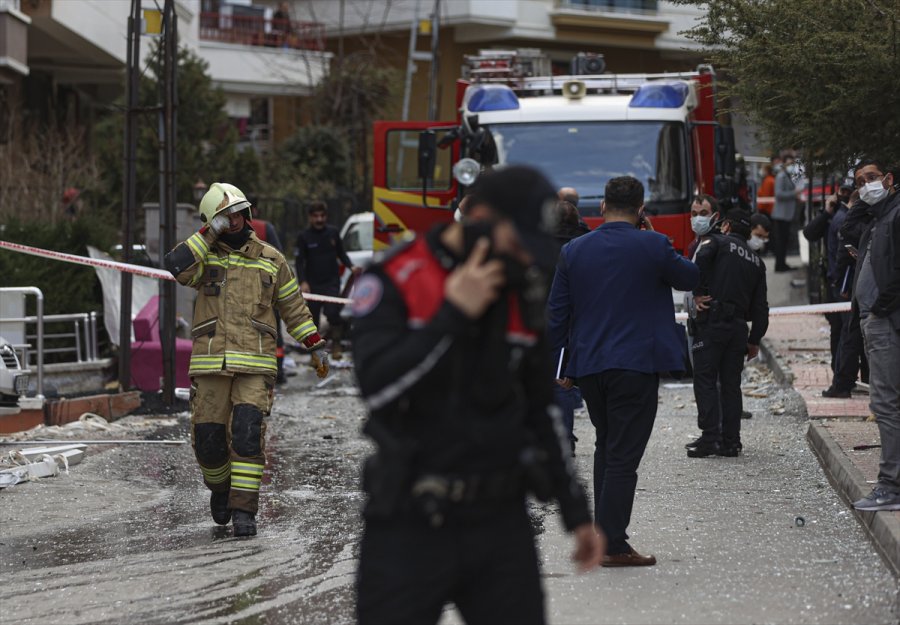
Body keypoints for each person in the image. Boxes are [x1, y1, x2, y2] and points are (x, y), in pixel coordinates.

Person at [352, 166, 604, 624]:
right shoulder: (397, 277)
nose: (524, 256)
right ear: (481, 216)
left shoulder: (519, 288)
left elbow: (540, 407)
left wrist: (575, 510)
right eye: (517, 239)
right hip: (409, 520)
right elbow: (378, 389)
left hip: (500, 520)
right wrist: (453, 314)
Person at [547, 175, 699, 567]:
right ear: (641, 209)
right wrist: (654, 236)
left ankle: (604, 535)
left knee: (607, 445)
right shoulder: (653, 244)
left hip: (590, 367)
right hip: (635, 364)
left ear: (601, 207)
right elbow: (690, 278)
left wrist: (561, 366)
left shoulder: (575, 249)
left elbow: (556, 316)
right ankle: (612, 545)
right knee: (622, 457)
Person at [164, 182, 326, 537]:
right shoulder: (203, 256)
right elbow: (175, 266)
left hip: (256, 362)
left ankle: (244, 510)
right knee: (208, 442)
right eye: (225, 215)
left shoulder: (271, 259)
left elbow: (294, 309)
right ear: (213, 221)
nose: (234, 220)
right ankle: (220, 488)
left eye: (238, 212)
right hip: (211, 362)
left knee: (248, 434)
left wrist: (315, 344)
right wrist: (208, 234)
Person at [686, 209, 769, 458]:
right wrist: (755, 339)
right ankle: (731, 441)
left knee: (706, 381)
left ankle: (710, 437)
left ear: (727, 226)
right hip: (738, 330)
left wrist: (698, 291)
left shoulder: (717, 242)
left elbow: (698, 262)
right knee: (731, 386)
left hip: (712, 322)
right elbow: (761, 307)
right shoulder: (756, 262)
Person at [849, 159, 900, 512]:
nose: (866, 185)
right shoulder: (877, 217)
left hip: (885, 321)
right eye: (859, 182)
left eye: (871, 178)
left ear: (889, 179)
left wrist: (882, 306)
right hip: (876, 320)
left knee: (885, 403)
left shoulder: (894, 216)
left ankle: (891, 485)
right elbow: (845, 229)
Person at [295, 201, 361, 360]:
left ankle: (336, 345)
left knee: (333, 313)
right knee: (313, 319)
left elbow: (342, 253)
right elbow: (299, 262)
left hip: (331, 281)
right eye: (316, 216)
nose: (319, 219)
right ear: (310, 217)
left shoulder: (333, 233)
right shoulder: (304, 237)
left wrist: (351, 266)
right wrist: (303, 281)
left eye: (322, 215)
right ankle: (315, 354)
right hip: (313, 284)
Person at [802, 182, 853, 374]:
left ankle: (847, 375)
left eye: (849, 191)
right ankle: (838, 372)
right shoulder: (833, 215)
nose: (845, 195)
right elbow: (809, 233)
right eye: (842, 191)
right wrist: (826, 212)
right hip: (832, 281)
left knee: (848, 330)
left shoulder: (853, 214)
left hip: (848, 279)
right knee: (837, 328)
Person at [552, 199, 590, 454]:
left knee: (557, 380)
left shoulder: (543, 245)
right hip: (583, 320)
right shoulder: (587, 244)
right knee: (567, 381)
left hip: (554, 318)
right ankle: (566, 437)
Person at [248, 202, 289, 384]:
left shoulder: (228, 229)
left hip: (242, 292)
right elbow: (279, 258)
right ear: (255, 210)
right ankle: (278, 371)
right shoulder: (265, 228)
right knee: (274, 330)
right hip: (267, 288)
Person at [772, 155, 802, 272]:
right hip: (781, 214)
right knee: (781, 241)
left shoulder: (787, 176)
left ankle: (782, 263)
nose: (790, 166)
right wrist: (794, 193)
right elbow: (779, 194)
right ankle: (779, 265)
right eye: (788, 164)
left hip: (786, 214)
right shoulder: (781, 176)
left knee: (783, 241)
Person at [686, 194, 721, 259]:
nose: (698, 218)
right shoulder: (693, 245)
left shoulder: (720, 244)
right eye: (694, 214)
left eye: (703, 213)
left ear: (716, 216)